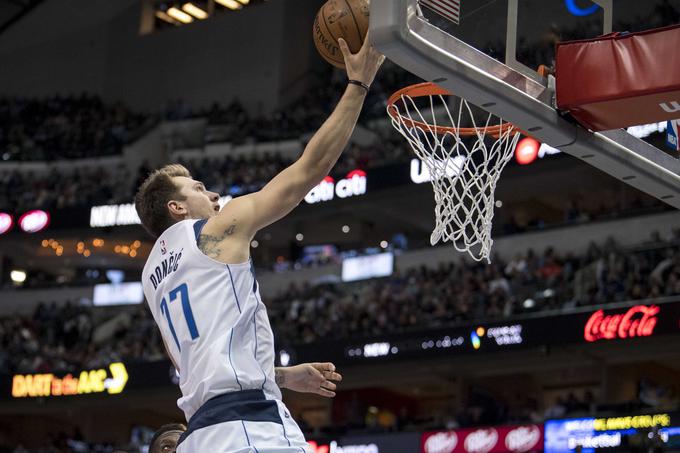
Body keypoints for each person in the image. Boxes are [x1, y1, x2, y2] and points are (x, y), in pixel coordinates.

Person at [134, 35, 384, 453]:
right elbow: (309, 169)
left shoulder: (150, 279)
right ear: (176, 207)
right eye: (199, 188)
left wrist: (283, 376)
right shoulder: (212, 231)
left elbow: (199, 361)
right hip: (250, 427)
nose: (213, 195)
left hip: (204, 436)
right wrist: (357, 86)